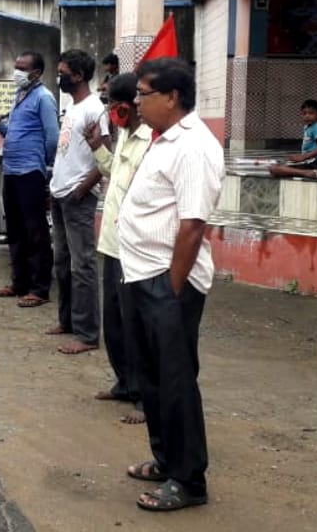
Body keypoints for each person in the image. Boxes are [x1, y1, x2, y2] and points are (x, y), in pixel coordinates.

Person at [119, 58, 223, 513]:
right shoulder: (162, 139)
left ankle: (189, 480)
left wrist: (172, 290)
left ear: (172, 97)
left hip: (168, 283)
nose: (137, 102)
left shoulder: (194, 146)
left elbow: (193, 225)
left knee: (176, 381)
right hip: (140, 275)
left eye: (143, 94)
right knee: (152, 379)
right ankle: (165, 460)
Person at [85, 73, 152, 424]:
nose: (108, 109)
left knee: (135, 322)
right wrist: (98, 147)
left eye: (111, 102)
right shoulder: (125, 134)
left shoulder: (151, 140)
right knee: (113, 321)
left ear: (128, 105)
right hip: (111, 243)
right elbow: (113, 170)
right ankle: (124, 382)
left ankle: (144, 396)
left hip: (134, 246)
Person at [45, 50, 107, 354]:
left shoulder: (95, 109)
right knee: (62, 261)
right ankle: (67, 321)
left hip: (77, 197)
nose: (60, 78)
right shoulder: (72, 106)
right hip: (60, 193)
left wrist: (82, 190)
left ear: (79, 76)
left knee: (83, 266)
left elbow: (105, 156)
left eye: (63, 73)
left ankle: (87, 334)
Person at [0, 51, 59, 308]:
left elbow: (52, 137)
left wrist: (45, 165)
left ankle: (40, 288)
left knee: (35, 231)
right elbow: (13, 131)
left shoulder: (44, 98)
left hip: (31, 171)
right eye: (16, 66)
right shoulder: (20, 95)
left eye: (23, 68)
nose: (17, 72)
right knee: (15, 229)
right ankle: (19, 282)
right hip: (11, 169)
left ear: (36, 73)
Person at [270, 99, 317, 178]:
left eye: (311, 113)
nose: (307, 116)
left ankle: (307, 173)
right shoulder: (309, 127)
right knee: (276, 168)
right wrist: (299, 157)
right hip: (310, 162)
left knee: (274, 169)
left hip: (314, 163)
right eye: (304, 113)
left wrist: (303, 157)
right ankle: (313, 172)